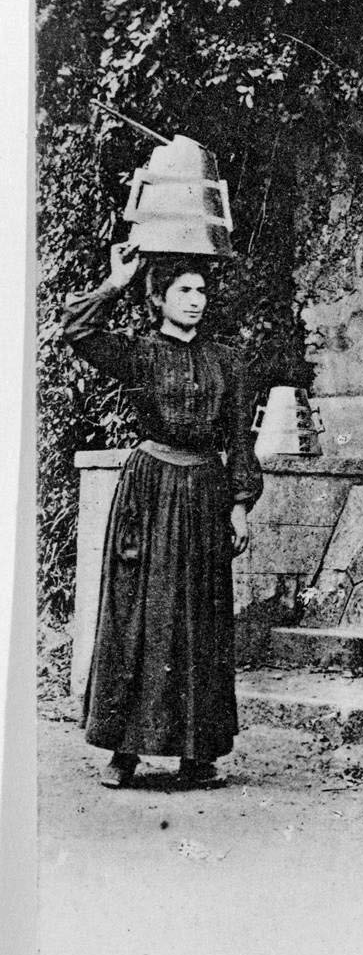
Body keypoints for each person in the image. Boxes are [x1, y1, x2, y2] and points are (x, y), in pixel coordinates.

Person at [62, 244, 263, 788]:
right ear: (159, 298)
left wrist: (239, 508)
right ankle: (123, 752)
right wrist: (116, 280)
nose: (196, 300)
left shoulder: (228, 361)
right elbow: (76, 330)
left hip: (203, 494)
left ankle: (197, 756)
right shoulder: (140, 355)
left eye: (202, 290)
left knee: (201, 620)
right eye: (184, 291)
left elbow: (239, 440)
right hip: (148, 494)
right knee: (137, 616)